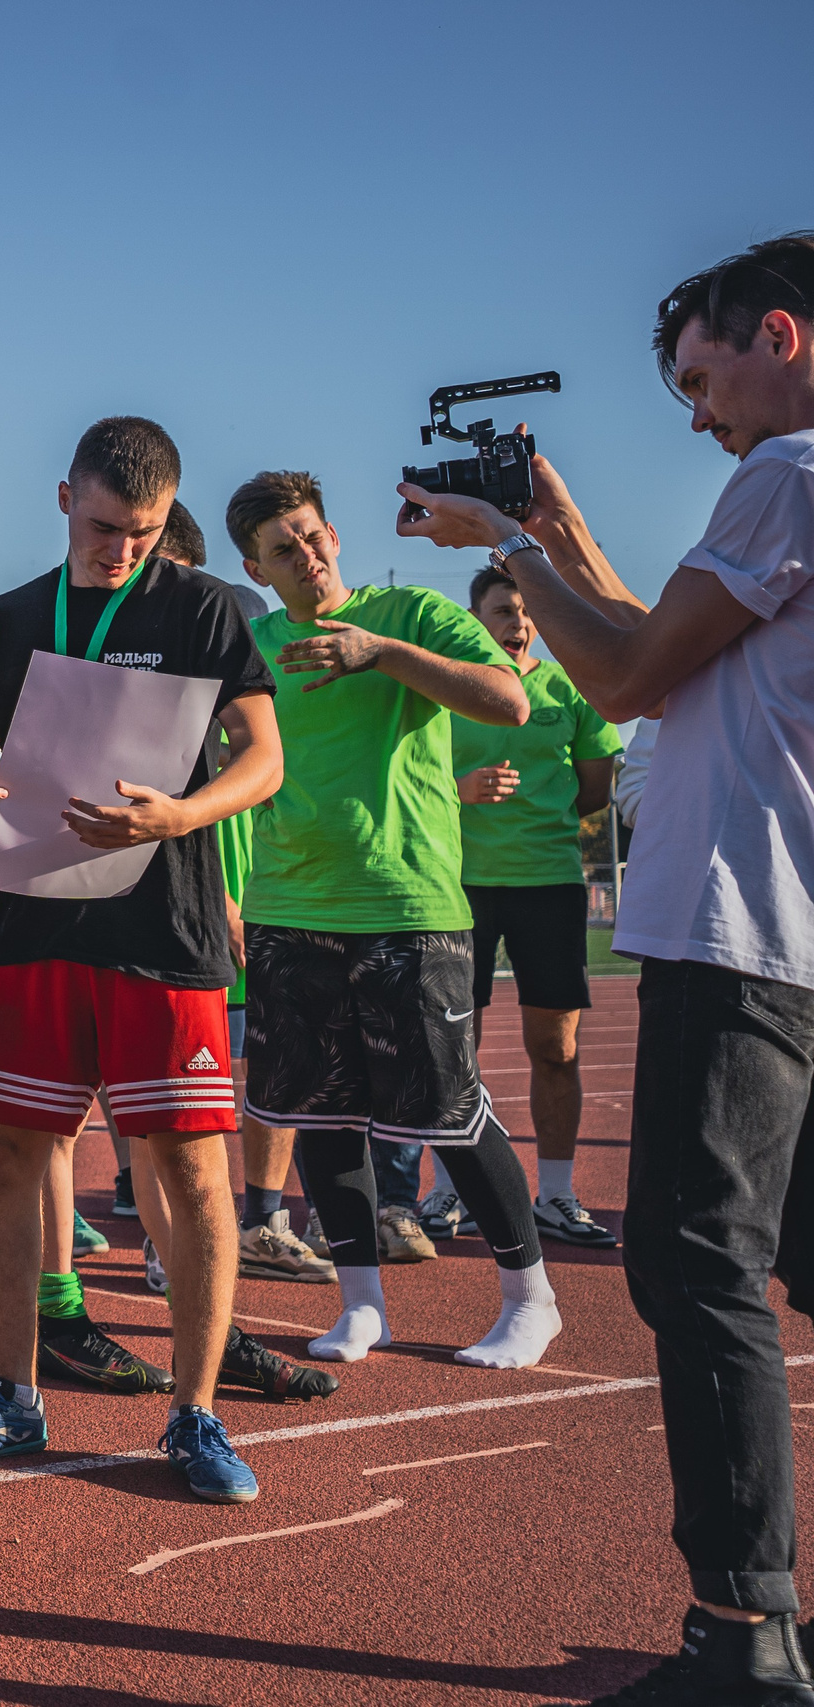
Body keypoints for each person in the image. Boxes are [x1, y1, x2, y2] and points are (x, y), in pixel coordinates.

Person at [394, 230, 814, 1704]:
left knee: (694, 1259)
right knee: (787, 1254)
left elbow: (623, 679)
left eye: (701, 377)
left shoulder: (792, 471)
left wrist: (501, 548)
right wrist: (553, 517)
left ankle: (743, 1628)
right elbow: (655, 638)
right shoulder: (786, 492)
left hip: (742, 931)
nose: (696, 412)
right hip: (792, 934)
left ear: (780, 333)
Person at [0, 416, 286, 1503]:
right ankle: (11, 1393)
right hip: (37, 925)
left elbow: (263, 760)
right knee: (9, 1161)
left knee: (188, 1172)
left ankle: (196, 1411)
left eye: (143, 532)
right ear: (61, 498)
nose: (119, 551)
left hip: (164, 933)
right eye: (101, 527)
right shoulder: (11, 620)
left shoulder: (207, 607)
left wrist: (181, 816)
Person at [225, 466, 558, 1372]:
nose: (306, 554)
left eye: (312, 534)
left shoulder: (411, 616)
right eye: (282, 549)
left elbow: (511, 699)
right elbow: (212, 759)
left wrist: (381, 654)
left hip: (408, 904)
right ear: (258, 568)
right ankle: (361, 1303)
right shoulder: (252, 645)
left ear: (334, 533)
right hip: (289, 907)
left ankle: (532, 1295)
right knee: (321, 1113)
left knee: (449, 1111)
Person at [424, 564, 623, 1248]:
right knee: (456, 1047)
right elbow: (410, 778)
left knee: (555, 1046)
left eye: (529, 608)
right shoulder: (447, 688)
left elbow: (595, 788)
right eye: (505, 609)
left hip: (550, 881)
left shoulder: (570, 687)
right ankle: (449, 1189)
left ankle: (558, 1194)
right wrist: (459, 789)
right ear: (475, 619)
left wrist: (540, 813)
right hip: (460, 885)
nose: (520, 621)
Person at [156, 509, 329, 1288]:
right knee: (177, 1074)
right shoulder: (146, 656)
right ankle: (170, 1236)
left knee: (274, 1062)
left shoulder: (241, 633)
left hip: (273, 885)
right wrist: (221, 893)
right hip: (191, 892)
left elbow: (266, 762)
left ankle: (265, 1217)